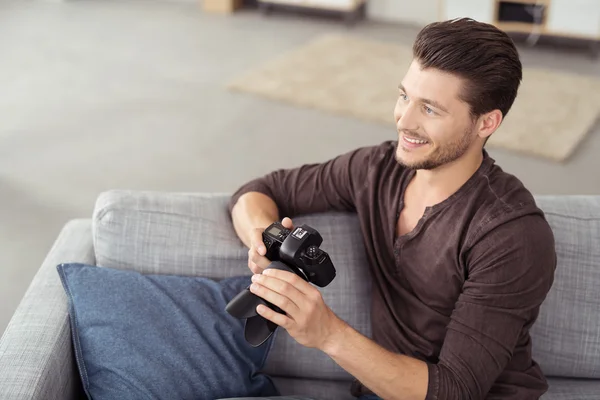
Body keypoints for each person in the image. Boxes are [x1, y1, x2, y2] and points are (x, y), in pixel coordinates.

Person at [226, 18, 556, 400]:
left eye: (430, 110)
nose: (405, 120)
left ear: (486, 122)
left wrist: (328, 334)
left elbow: (456, 390)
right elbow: (256, 192)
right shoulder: (375, 169)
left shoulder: (511, 235)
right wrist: (264, 239)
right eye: (404, 96)